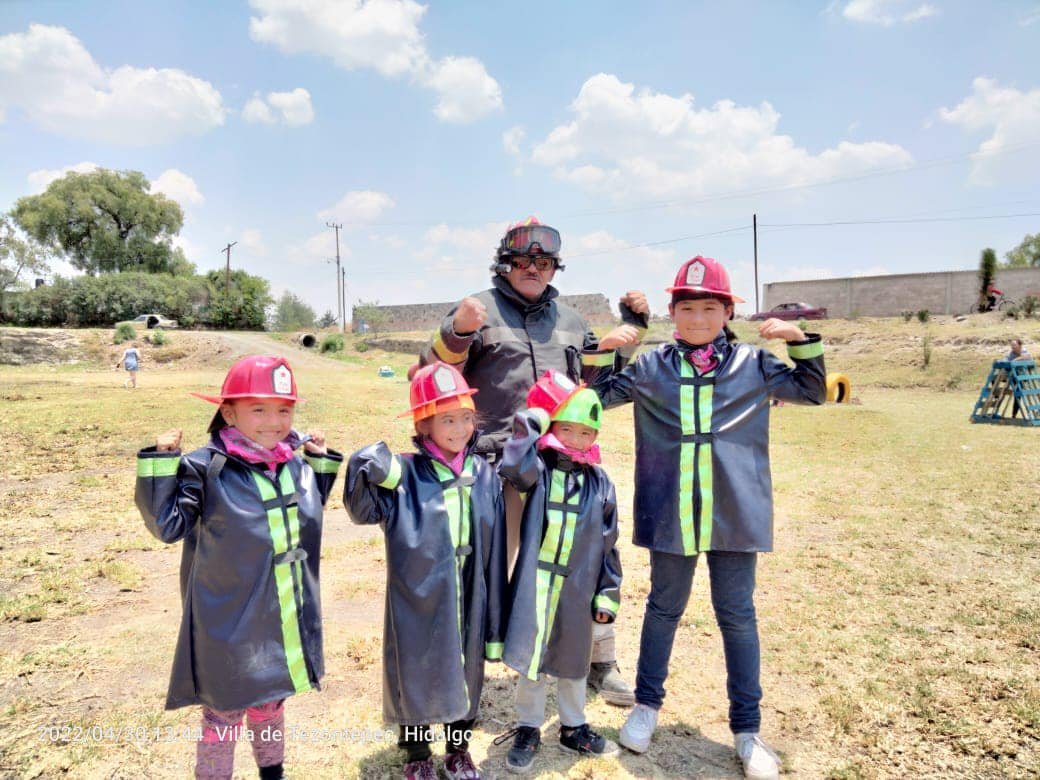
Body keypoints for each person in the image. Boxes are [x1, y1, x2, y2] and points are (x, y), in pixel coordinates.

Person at [582, 256, 826, 780]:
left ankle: (747, 729)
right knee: (663, 608)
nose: (698, 318)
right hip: (670, 509)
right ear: (672, 312)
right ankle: (647, 706)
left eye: (709, 308)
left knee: (737, 615)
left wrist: (799, 340)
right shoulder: (650, 367)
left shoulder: (754, 364)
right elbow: (594, 400)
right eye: (687, 308)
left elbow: (811, 391)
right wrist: (605, 353)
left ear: (727, 311)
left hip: (734, 511)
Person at [417, 216, 647, 706]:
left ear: (555, 268)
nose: (533, 269)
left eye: (544, 262)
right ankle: (462, 670)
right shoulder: (478, 310)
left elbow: (595, 391)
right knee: (482, 571)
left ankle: (599, 660)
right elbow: (430, 377)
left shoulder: (571, 321)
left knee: (583, 564)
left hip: (561, 471)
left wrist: (629, 336)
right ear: (504, 263)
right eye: (522, 260)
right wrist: (458, 332)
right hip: (494, 469)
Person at [135, 355, 342, 780]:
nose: (274, 422)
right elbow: (168, 526)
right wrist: (161, 462)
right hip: (229, 621)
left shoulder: (292, 463)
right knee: (224, 712)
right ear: (228, 413)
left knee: (271, 701)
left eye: (284, 410)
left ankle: (273, 773)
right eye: (258, 409)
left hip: (280, 615)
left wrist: (320, 464)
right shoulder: (206, 468)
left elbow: (305, 513)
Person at [344, 362, 508, 780]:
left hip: (469, 590)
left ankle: (458, 749)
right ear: (423, 424)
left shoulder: (483, 474)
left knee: (468, 670)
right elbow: (363, 511)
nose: (459, 428)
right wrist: (371, 462)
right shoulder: (406, 474)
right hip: (419, 594)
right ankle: (417, 753)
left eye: (466, 417)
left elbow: (495, 541)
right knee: (415, 669)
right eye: (446, 419)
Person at [494, 371, 623, 773]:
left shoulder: (600, 483)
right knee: (533, 661)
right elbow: (512, 466)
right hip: (537, 584)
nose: (576, 439)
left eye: (586, 432)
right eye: (567, 429)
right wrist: (530, 422)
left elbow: (609, 543)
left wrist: (607, 594)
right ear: (553, 428)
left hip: (579, 590)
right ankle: (528, 726)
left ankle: (573, 726)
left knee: (574, 660)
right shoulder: (539, 471)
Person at [1005, 338, 1032, 418]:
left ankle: (1014, 414)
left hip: (1022, 376)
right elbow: (1005, 360)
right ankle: (996, 397)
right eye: (1011, 345)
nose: (1012, 347)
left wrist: (1015, 360)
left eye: (1014, 345)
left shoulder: (1024, 351)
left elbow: (1026, 357)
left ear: (1020, 345)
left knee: (1018, 393)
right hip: (1013, 375)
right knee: (995, 378)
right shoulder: (1011, 353)